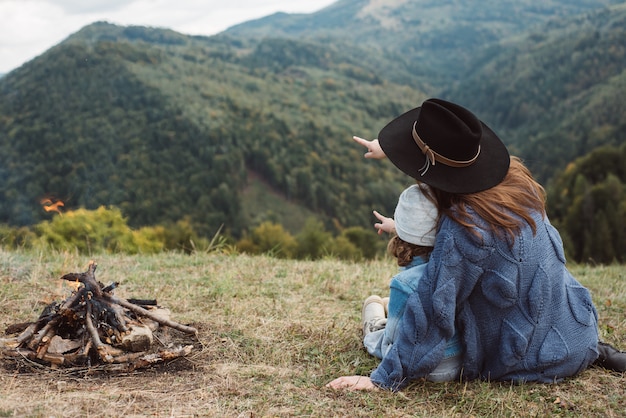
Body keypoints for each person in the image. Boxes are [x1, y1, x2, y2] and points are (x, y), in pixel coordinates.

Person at [327, 98, 622, 392]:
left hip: (532, 359)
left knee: (417, 298)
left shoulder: (465, 227)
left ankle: (376, 322)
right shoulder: (517, 184)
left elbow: (434, 309)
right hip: (579, 332)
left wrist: (383, 379)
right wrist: (391, 154)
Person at [361, 184, 463, 383]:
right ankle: (390, 307)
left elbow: (394, 342)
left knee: (374, 309)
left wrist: (373, 340)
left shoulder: (404, 284)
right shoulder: (455, 266)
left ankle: (374, 320)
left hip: (431, 370)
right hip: (457, 362)